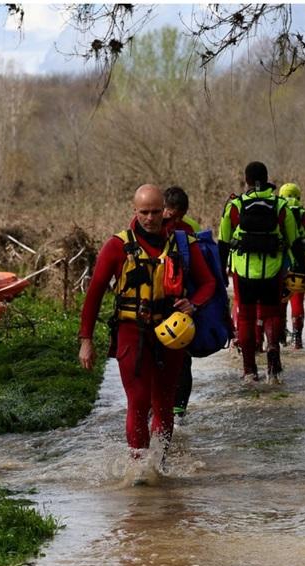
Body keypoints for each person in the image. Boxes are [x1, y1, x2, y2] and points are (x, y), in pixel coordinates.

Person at [78, 183, 218, 459]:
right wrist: (86, 340)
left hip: (171, 333)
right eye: (144, 212)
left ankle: (159, 464)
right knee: (139, 402)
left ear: (165, 211)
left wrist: (194, 304)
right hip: (132, 332)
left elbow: (209, 283)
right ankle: (140, 467)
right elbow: (93, 295)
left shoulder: (182, 243)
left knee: (164, 404)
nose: (151, 218)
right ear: (134, 211)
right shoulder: (116, 246)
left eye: (156, 212)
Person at [216, 161, 305, 383]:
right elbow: (294, 240)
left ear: (246, 180)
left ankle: (249, 370)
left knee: (245, 316)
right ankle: (273, 361)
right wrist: (301, 268)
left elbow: (223, 241)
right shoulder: (280, 205)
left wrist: (220, 270)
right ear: (267, 178)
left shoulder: (235, 205)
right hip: (273, 270)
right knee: (272, 314)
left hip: (243, 272)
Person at [161, 185, 201, 424]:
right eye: (170, 215)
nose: (173, 221)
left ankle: (177, 411)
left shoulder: (188, 230)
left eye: (177, 216)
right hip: (164, 303)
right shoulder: (150, 226)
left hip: (180, 303)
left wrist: (194, 303)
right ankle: (165, 407)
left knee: (182, 358)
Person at [277, 183, 305, 349]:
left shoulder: (276, 211)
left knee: (280, 301)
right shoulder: (304, 214)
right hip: (299, 264)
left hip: (278, 264)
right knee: (297, 300)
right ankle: (297, 339)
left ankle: (279, 336)